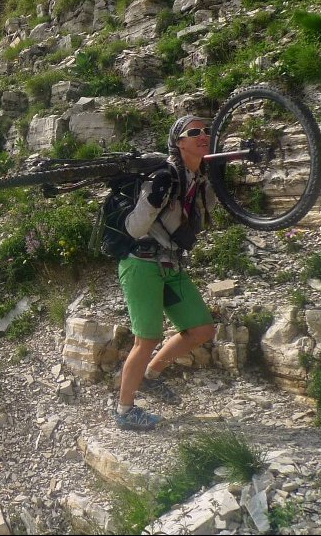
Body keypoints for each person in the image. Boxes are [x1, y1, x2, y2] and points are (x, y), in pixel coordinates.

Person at [113, 114, 218, 431]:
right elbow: (134, 227)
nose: (204, 135)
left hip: (170, 263)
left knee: (201, 329)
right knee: (146, 339)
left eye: (207, 130)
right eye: (194, 132)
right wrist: (156, 198)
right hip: (141, 263)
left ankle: (151, 375)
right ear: (179, 141)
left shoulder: (197, 177)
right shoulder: (164, 177)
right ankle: (124, 411)